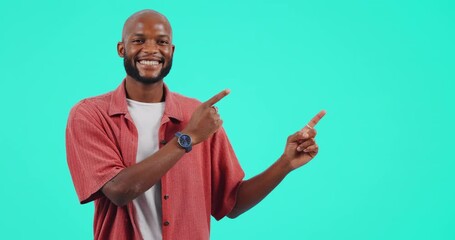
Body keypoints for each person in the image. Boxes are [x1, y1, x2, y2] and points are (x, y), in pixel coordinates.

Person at [66, 9, 326, 240]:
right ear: (121, 49)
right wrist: (187, 138)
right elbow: (119, 190)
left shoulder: (198, 114)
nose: (151, 49)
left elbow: (232, 203)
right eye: (138, 40)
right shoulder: (90, 114)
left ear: (172, 51)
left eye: (162, 42)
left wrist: (285, 164)